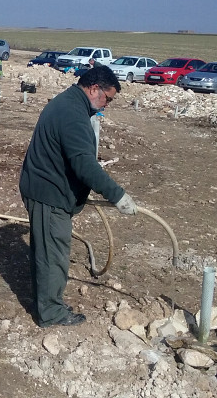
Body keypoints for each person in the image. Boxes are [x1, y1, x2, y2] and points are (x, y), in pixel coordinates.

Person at [19, 66, 137, 327]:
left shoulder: (69, 103)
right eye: (108, 99)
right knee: (53, 257)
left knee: (48, 251)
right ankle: (51, 314)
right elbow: (84, 164)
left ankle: (47, 302)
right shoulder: (73, 113)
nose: (106, 106)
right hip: (48, 195)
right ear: (94, 89)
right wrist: (118, 196)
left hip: (44, 190)